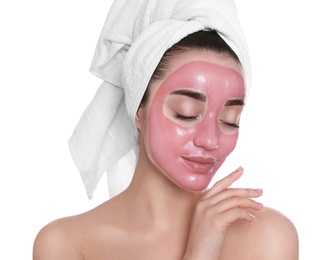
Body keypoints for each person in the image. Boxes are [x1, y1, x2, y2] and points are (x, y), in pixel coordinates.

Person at [33, 0, 299, 259]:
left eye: (230, 119)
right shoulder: (65, 243)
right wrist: (199, 253)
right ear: (139, 111)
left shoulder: (266, 235)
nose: (210, 140)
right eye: (187, 114)